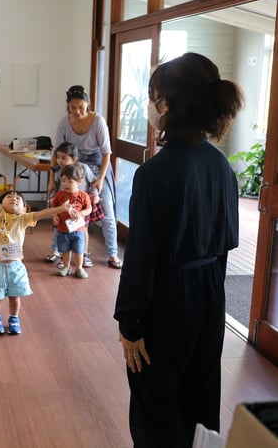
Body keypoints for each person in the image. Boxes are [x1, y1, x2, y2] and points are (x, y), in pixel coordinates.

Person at [114, 52, 243, 447]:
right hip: (210, 296)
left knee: (157, 404)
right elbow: (227, 242)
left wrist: (131, 325)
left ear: (168, 104)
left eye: (154, 97)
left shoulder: (155, 173)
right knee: (200, 398)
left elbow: (141, 259)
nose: (151, 106)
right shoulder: (221, 165)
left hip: (166, 303)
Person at [0, 166, 70, 335]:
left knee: (15, 297)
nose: (14, 198)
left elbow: (42, 213)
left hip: (15, 267)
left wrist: (60, 209)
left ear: (25, 208)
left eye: (18, 198)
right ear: (2, 205)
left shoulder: (24, 219)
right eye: (9, 197)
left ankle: (13, 319)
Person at [53, 85, 123, 269]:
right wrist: (54, 180)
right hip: (72, 172)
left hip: (98, 169)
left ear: (88, 103)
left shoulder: (98, 121)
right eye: (72, 108)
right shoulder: (64, 122)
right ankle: (59, 251)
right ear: (67, 105)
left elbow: (107, 152)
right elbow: (57, 154)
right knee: (61, 208)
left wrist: (100, 180)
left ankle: (113, 254)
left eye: (81, 107)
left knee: (106, 209)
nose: (77, 112)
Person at [45, 142, 99, 268]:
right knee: (59, 229)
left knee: (82, 230)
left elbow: (93, 182)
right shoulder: (59, 171)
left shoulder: (83, 168)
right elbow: (57, 185)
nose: (60, 161)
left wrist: (95, 194)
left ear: (74, 159)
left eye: (64, 158)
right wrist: (52, 189)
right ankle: (56, 251)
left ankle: (84, 254)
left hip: (80, 205)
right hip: (63, 205)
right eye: (58, 157)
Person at [49, 163, 92, 279]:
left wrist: (81, 213)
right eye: (63, 181)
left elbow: (89, 209)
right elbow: (54, 208)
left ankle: (79, 268)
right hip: (63, 230)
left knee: (79, 250)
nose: (65, 184)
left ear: (79, 181)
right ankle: (66, 267)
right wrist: (55, 216)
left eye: (70, 181)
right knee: (65, 250)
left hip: (78, 230)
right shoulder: (60, 194)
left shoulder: (83, 195)